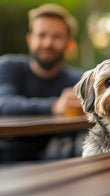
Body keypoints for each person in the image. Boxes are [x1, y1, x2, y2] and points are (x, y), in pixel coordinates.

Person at [0, 3, 82, 161]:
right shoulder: (8, 66)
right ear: (30, 40)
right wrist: (55, 106)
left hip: (59, 160)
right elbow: (3, 103)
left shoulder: (78, 80)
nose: (47, 43)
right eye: (41, 35)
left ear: (70, 44)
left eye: (56, 37)